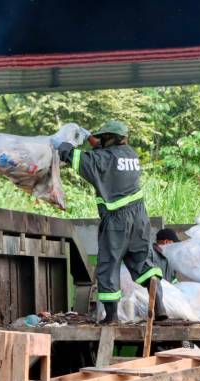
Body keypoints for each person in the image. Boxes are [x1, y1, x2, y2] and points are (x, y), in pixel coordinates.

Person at [51, 120, 166, 323]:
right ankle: (159, 308)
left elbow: (73, 156)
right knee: (143, 262)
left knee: (108, 265)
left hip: (117, 220)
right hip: (139, 217)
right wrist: (90, 139)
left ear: (111, 138)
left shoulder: (101, 160)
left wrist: (62, 144)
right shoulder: (131, 154)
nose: (101, 141)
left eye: (104, 137)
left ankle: (111, 317)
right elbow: (106, 154)